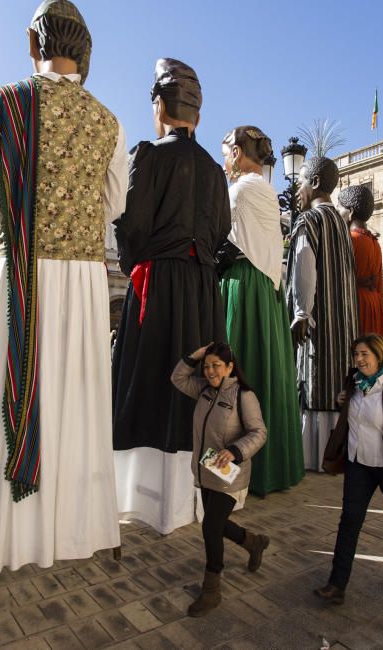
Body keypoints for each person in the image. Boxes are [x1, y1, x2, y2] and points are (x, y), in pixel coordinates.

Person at [0, 0, 127, 579]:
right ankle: (75, 525)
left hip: (19, 270)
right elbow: (115, 203)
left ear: (33, 45)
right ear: (86, 50)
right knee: (76, 393)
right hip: (80, 277)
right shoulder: (108, 121)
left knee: (12, 388)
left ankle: (8, 535)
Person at [111, 58, 230, 535]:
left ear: (159, 107)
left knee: (154, 379)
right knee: (201, 385)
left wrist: (135, 261)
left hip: (159, 283)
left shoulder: (150, 154)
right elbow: (220, 231)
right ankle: (198, 497)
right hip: (202, 289)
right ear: (197, 116)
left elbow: (131, 223)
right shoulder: (215, 171)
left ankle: (145, 498)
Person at [217, 126, 303, 496]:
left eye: (225, 153)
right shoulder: (266, 190)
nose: (223, 160)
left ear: (236, 152)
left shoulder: (240, 190)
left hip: (243, 284)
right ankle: (271, 467)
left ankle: (226, 471)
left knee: (236, 371)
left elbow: (217, 235)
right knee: (266, 373)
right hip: (266, 290)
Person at [314, 334, 383, 604]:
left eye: (365, 354)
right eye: (356, 354)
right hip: (358, 465)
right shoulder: (353, 382)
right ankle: (336, 584)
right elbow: (351, 418)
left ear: (380, 355)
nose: (359, 359)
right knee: (349, 522)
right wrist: (342, 401)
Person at [171, 343, 269, 616]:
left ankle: (212, 590)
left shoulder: (243, 395)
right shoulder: (203, 389)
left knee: (211, 528)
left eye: (217, 365)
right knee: (218, 523)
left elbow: (259, 432)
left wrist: (236, 451)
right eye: (208, 365)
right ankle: (254, 542)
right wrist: (196, 355)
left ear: (230, 367)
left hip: (230, 476)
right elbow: (177, 378)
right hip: (206, 472)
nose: (211, 370)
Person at [286, 157, 358, 470]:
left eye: (301, 181)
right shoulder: (342, 225)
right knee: (338, 380)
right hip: (344, 321)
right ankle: (338, 451)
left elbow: (305, 267)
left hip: (320, 318)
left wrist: (301, 313)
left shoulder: (309, 221)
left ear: (314, 183)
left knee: (315, 378)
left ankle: (315, 456)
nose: (297, 189)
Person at [340, 185, 383, 338]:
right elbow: (379, 284)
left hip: (355, 304)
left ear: (351, 212)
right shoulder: (375, 243)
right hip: (374, 304)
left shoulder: (349, 239)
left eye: (339, 207)